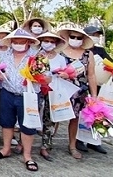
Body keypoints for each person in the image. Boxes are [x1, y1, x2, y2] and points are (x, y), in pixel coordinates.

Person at [0, 28, 44, 173]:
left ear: (29, 42)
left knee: (28, 125)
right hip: (8, 92)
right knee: (6, 122)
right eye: (15, 41)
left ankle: (27, 155)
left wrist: (37, 77)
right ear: (11, 42)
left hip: (29, 95)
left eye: (22, 42)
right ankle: (6, 149)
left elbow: (47, 77)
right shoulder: (3, 55)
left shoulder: (38, 56)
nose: (18, 44)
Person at [57, 27, 98, 159]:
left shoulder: (88, 54)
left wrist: (94, 96)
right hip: (60, 89)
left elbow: (91, 75)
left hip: (79, 91)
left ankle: (72, 146)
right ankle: (47, 143)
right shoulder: (60, 51)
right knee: (54, 117)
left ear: (83, 40)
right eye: (72, 37)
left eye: (78, 38)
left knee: (74, 119)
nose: (75, 40)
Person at [35, 32, 68, 161]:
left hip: (53, 91)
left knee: (49, 120)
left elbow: (65, 73)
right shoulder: (35, 55)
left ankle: (45, 146)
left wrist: (64, 74)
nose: (48, 43)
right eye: (46, 40)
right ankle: (23, 142)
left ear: (56, 44)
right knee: (30, 115)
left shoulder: (60, 58)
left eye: (51, 41)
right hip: (36, 89)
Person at [82, 25, 111, 154]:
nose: (96, 37)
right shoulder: (81, 50)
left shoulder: (101, 50)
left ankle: (95, 141)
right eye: (94, 35)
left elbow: (110, 64)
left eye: (98, 35)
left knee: (98, 114)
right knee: (82, 116)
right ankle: (79, 140)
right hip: (82, 87)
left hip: (98, 87)